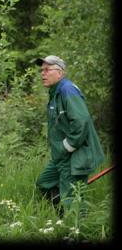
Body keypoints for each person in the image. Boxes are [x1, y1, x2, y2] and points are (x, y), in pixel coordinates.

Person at [35, 55, 105, 216]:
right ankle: (61, 217)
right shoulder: (55, 92)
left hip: (75, 155)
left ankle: (76, 229)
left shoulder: (67, 90)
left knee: (72, 199)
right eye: (41, 70)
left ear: (60, 73)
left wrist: (68, 146)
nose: (42, 74)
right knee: (45, 182)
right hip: (61, 156)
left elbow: (82, 120)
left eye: (47, 70)